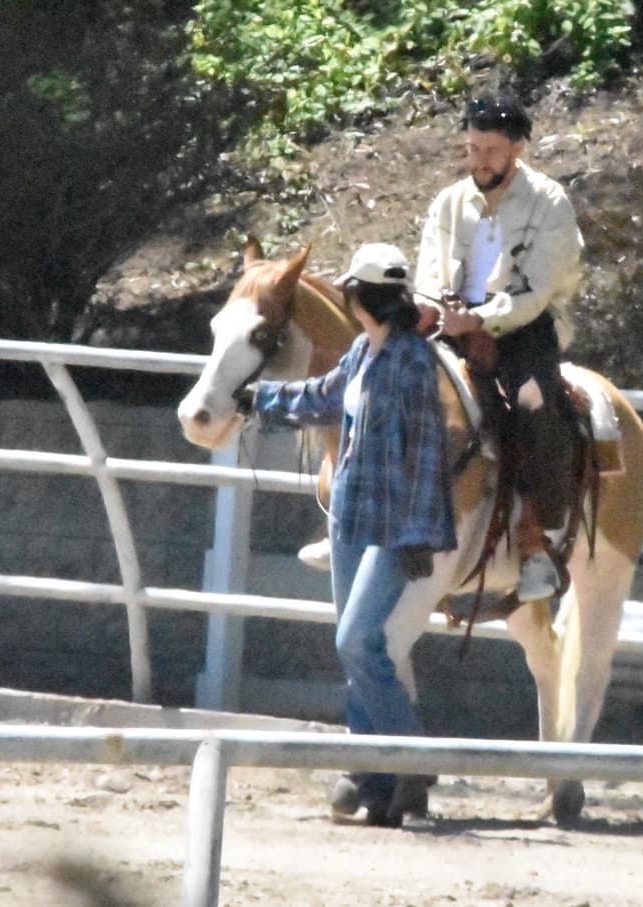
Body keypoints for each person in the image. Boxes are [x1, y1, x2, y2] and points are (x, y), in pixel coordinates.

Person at [239, 242, 455, 827]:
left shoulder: (412, 361)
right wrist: (261, 399)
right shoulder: (363, 350)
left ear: (357, 297)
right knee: (359, 651)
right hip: (351, 517)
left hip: (392, 526)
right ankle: (376, 781)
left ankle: (413, 761)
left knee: (356, 641)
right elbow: (326, 396)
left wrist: (417, 533)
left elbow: (425, 452)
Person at [416, 92, 584, 602]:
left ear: (517, 148)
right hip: (451, 322)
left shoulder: (549, 201)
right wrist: (437, 308)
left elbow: (538, 290)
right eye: (473, 148)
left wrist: (481, 319)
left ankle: (538, 542)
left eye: (490, 150)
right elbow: (429, 271)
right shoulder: (449, 202)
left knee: (533, 405)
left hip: (524, 327)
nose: (480, 160)